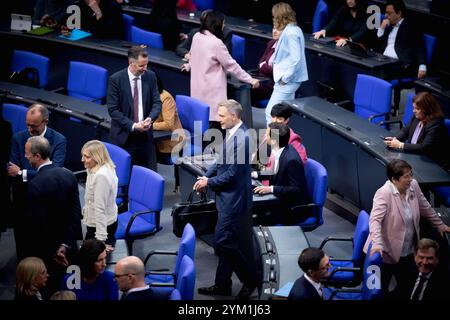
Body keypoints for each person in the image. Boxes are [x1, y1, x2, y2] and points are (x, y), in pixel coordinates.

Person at [194, 100, 258, 300]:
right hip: (226, 199)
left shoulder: (244, 139)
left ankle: (250, 280)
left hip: (234, 201)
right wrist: (207, 176)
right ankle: (222, 284)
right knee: (226, 242)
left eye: (222, 116)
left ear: (234, 116)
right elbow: (219, 160)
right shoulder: (232, 133)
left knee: (222, 243)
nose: (218, 119)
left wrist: (209, 182)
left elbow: (232, 174)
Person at [363, 159, 450, 295]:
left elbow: (425, 207)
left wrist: (440, 225)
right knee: (380, 290)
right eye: (406, 176)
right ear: (394, 179)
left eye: (411, 175)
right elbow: (375, 221)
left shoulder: (413, 186)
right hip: (385, 252)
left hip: (408, 250)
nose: (410, 179)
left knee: (407, 287)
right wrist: (378, 243)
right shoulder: (384, 193)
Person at [181, 10, 259, 130]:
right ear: (216, 24)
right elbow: (231, 65)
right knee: (215, 130)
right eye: (223, 23)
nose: (224, 26)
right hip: (212, 94)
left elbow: (193, 55)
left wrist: (189, 65)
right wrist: (250, 79)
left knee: (201, 127)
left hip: (198, 90)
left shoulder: (197, 36)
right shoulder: (216, 43)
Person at [25, 136, 82, 298]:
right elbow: (75, 214)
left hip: (49, 255)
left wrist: (55, 252)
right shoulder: (69, 175)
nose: (25, 157)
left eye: (27, 153)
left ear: (37, 156)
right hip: (70, 250)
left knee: (51, 291)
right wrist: (65, 245)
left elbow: (39, 225)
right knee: (73, 291)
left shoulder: (35, 184)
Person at [8, 104, 66, 261]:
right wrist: (22, 173)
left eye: (33, 126)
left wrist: (22, 173)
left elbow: (55, 172)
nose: (29, 129)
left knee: (44, 252)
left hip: (47, 205)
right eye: (27, 124)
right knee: (23, 250)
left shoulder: (59, 140)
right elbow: (11, 170)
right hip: (22, 202)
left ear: (45, 121)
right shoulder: (18, 138)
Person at [107, 45, 162, 170]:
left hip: (145, 137)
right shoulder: (116, 79)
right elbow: (113, 110)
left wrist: (150, 118)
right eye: (141, 65)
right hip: (124, 137)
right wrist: (133, 126)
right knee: (125, 176)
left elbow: (157, 103)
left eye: (146, 64)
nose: (145, 68)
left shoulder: (150, 76)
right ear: (131, 62)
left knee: (145, 175)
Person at [252, 122, 309, 225]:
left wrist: (271, 188)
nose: (265, 135)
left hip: (290, 208)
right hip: (278, 198)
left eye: (267, 133)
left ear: (274, 141)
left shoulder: (291, 160)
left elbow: (296, 189)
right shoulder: (278, 150)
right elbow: (275, 172)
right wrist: (255, 174)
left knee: (254, 216)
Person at [265, 2, 308, 125]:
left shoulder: (291, 33)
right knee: (286, 114)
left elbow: (296, 59)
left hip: (288, 80)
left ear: (280, 17)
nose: (273, 18)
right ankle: (285, 142)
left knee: (270, 113)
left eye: (274, 16)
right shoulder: (293, 29)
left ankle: (275, 143)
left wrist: (285, 78)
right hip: (288, 80)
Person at [384, 92, 449, 169]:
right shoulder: (417, 116)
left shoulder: (435, 124)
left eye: (417, 108)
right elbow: (405, 131)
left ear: (427, 110)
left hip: (429, 161)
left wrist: (400, 145)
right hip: (413, 154)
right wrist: (395, 139)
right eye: (414, 108)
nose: (414, 111)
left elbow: (424, 147)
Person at [81, 140, 118, 252]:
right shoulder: (95, 168)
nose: (82, 160)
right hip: (100, 221)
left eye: (86, 157)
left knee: (92, 260)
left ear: (97, 157)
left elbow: (100, 209)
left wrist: (101, 240)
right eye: (83, 155)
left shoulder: (101, 176)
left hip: (101, 228)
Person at [376, 0, 427, 80]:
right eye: (386, 12)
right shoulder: (388, 26)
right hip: (383, 60)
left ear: (399, 13)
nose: (386, 16)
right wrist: (381, 28)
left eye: (389, 13)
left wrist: (422, 66)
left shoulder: (410, 25)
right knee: (367, 69)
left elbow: (419, 46)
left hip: (400, 64)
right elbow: (378, 43)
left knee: (378, 75)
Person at [152, 75, 185, 157]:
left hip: (170, 142)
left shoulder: (165, 98)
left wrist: (149, 125)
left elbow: (168, 124)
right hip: (155, 139)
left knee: (141, 151)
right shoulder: (145, 95)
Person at [250, 27, 281, 103]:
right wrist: (270, 69)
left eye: (279, 29)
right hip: (264, 80)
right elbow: (260, 64)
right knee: (244, 88)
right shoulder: (272, 43)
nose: (275, 31)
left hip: (274, 87)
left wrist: (264, 67)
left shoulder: (287, 50)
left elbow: (279, 74)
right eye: (274, 28)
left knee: (248, 91)